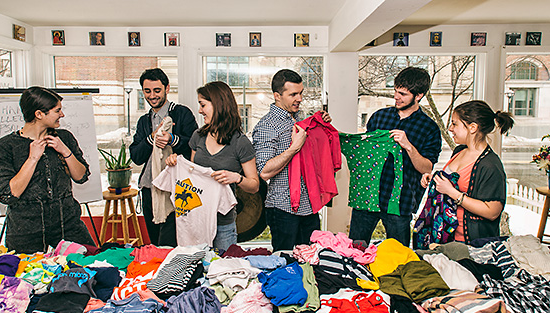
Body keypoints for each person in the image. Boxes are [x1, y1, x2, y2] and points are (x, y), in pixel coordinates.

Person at [421, 100, 514, 313]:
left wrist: (452, 193)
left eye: (455, 124)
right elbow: (448, 180)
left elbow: (492, 210)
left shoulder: (490, 165)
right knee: (453, 307)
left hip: (470, 249)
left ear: (472, 128)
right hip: (446, 245)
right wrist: (433, 180)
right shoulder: (460, 151)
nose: (451, 128)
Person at [0, 86, 95, 254]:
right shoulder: (5, 147)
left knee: (93, 265)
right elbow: (10, 194)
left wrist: (65, 151)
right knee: (29, 277)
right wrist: (33, 158)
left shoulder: (64, 137)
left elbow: (81, 176)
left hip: (68, 225)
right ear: (39, 114)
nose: (62, 114)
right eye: (57, 110)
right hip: (26, 232)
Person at [348, 66, 442, 247]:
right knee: (355, 251)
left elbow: (426, 168)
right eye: (395, 91)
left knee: (398, 256)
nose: (396, 97)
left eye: (403, 94)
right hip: (368, 197)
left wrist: (408, 146)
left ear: (419, 95)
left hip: (401, 201)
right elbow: (367, 154)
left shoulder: (429, 128)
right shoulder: (379, 117)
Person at [165, 81, 260, 250]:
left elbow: (254, 186)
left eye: (203, 105)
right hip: (195, 220)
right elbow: (192, 177)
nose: (200, 110)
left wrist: (236, 178)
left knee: (222, 270)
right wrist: (175, 161)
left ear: (218, 104)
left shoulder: (240, 143)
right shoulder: (198, 137)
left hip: (224, 224)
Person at [252, 69, 331, 252]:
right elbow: (264, 171)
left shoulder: (301, 118)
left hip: (308, 207)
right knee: (285, 262)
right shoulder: (266, 126)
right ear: (277, 96)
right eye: (293, 94)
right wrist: (293, 148)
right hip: (283, 208)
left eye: (301, 93)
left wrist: (323, 125)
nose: (300, 98)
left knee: (312, 257)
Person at [130, 68, 198, 247]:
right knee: (155, 244)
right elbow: (136, 156)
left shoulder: (182, 113)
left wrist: (173, 140)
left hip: (178, 188)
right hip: (149, 188)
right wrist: (151, 138)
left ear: (167, 89)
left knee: (174, 242)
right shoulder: (143, 121)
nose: (152, 95)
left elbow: (195, 145)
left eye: (157, 90)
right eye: (147, 91)